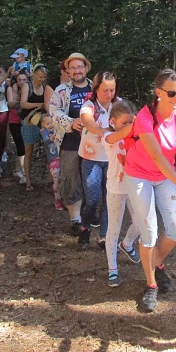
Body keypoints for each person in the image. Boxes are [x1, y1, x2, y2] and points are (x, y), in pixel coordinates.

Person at [123, 68, 176, 313]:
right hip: (139, 175)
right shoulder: (145, 117)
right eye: (172, 93)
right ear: (158, 92)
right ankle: (151, 284)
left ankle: (155, 264)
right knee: (149, 232)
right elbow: (158, 157)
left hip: (164, 175)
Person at [50, 53, 93, 235]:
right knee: (70, 179)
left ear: (86, 68)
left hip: (94, 144)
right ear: (68, 71)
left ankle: (90, 213)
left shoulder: (96, 87)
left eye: (79, 67)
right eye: (73, 68)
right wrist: (71, 122)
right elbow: (54, 111)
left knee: (92, 179)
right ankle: (75, 220)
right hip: (70, 142)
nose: (77, 71)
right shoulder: (61, 90)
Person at [101, 99, 142, 287]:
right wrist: (138, 124)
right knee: (114, 228)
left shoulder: (137, 137)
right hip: (116, 189)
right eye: (124, 122)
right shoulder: (108, 137)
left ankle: (126, 244)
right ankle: (112, 268)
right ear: (112, 121)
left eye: (130, 122)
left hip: (135, 187)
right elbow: (120, 135)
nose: (127, 126)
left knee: (141, 224)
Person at [77, 71, 117, 251]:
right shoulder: (89, 105)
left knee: (110, 199)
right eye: (105, 90)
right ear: (96, 89)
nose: (109, 94)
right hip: (91, 159)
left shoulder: (119, 105)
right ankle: (85, 227)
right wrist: (104, 131)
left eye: (112, 90)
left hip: (112, 160)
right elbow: (88, 122)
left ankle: (104, 236)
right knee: (92, 200)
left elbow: (131, 120)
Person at [20, 63, 54, 191]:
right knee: (28, 150)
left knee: (49, 149)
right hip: (29, 121)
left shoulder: (45, 87)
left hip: (43, 122)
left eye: (44, 77)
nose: (42, 79)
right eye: (40, 76)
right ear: (34, 75)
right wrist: (38, 104)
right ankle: (28, 180)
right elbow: (23, 104)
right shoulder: (27, 86)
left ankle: (50, 180)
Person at [7, 72, 28, 184]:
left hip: (26, 120)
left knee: (25, 146)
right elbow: (10, 104)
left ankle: (17, 169)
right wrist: (21, 100)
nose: (22, 82)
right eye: (19, 79)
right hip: (14, 120)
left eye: (24, 80)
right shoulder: (11, 89)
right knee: (20, 145)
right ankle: (24, 173)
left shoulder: (29, 88)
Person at [40, 114, 63, 210]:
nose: (50, 125)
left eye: (51, 122)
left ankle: (64, 198)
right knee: (56, 180)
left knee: (63, 179)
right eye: (47, 123)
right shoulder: (45, 132)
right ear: (43, 125)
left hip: (62, 158)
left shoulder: (58, 129)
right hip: (53, 160)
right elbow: (45, 142)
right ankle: (57, 199)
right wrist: (51, 138)